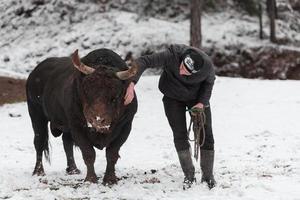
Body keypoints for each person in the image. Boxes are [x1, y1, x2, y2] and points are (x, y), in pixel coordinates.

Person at [124, 44, 216, 189]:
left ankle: (208, 176)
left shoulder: (207, 67)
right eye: (181, 67)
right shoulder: (171, 55)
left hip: (196, 98)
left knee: (206, 134)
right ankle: (189, 174)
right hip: (172, 96)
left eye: (186, 72)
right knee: (179, 134)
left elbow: (209, 83)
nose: (181, 71)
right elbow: (144, 61)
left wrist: (201, 103)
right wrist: (131, 83)